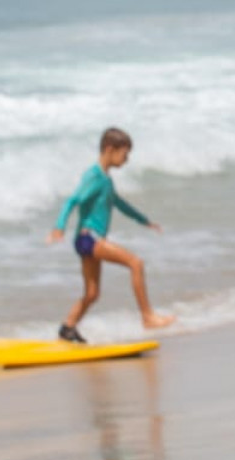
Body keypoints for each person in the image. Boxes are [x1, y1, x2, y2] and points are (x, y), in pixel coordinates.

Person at [47, 128, 175, 342]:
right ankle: (148, 317)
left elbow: (119, 203)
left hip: (86, 241)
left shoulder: (106, 180)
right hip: (89, 238)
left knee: (92, 293)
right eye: (125, 154)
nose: (127, 159)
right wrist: (59, 227)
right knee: (136, 263)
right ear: (109, 149)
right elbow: (72, 200)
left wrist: (144, 220)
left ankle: (67, 328)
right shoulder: (94, 176)